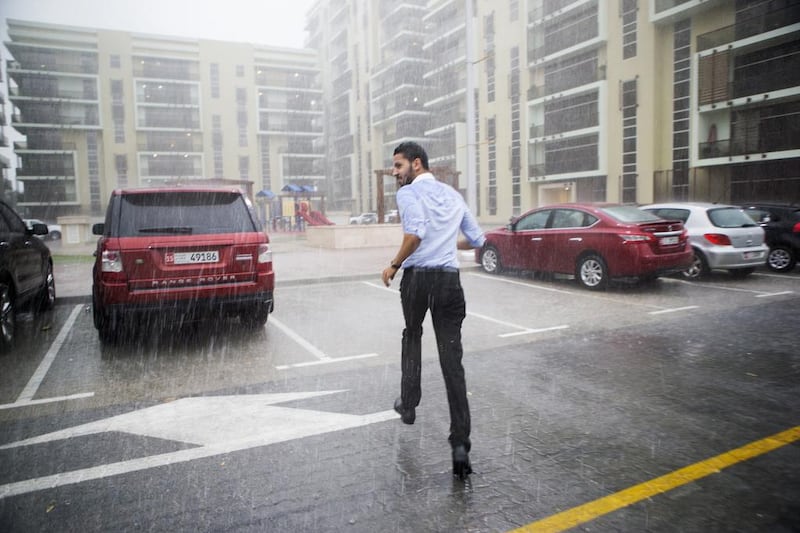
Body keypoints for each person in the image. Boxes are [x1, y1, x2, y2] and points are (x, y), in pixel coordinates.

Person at [381, 141, 485, 479]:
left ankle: (409, 404)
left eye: (398, 167)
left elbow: (416, 234)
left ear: (416, 163)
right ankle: (460, 444)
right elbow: (476, 239)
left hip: (419, 280)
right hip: (449, 281)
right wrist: (446, 243)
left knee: (412, 335)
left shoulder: (408, 194)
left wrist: (393, 265)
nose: (395, 174)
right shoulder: (453, 195)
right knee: (452, 360)